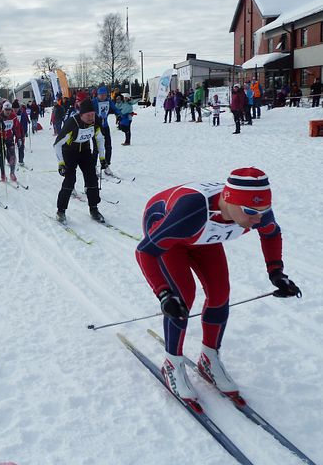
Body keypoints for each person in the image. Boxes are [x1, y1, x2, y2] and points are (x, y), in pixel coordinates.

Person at [135, 168, 300, 407]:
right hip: (170, 228)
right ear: (230, 201)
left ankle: (209, 358)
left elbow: (272, 234)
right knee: (182, 296)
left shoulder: (253, 207)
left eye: (263, 210)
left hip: (201, 236)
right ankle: (172, 362)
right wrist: (163, 293)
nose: (258, 218)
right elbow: (144, 251)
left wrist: (276, 273)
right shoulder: (191, 212)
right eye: (252, 212)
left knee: (220, 293)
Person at [53, 98, 106, 224]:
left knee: (92, 178)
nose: (91, 118)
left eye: (93, 114)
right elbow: (57, 145)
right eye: (88, 115)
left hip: (85, 151)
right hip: (69, 151)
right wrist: (61, 163)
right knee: (70, 180)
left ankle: (94, 209)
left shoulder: (95, 122)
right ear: (81, 114)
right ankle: (61, 211)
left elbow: (100, 139)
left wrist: (102, 158)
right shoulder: (72, 123)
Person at [0, 101, 22, 183]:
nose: (8, 111)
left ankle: (12, 173)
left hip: (9, 137)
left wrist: (19, 138)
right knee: (2, 155)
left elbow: (17, 128)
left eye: (9, 110)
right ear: (3, 109)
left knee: (13, 155)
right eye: (6, 110)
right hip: (0, 138)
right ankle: (3, 174)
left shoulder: (13, 116)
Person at [12, 99, 29, 166]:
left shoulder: (21, 113)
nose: (15, 110)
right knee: (10, 146)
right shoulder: (10, 113)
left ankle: (21, 160)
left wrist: (24, 131)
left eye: (16, 108)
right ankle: (11, 159)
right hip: (12, 130)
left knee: (21, 145)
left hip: (20, 131)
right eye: (14, 108)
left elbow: (24, 123)